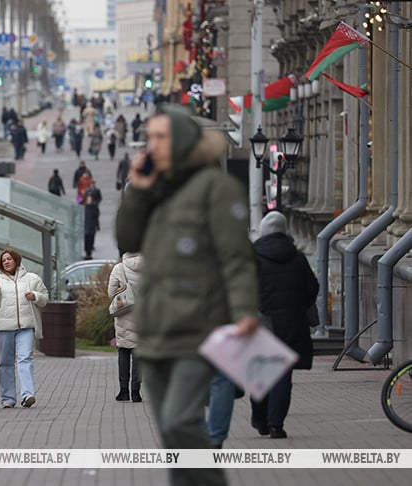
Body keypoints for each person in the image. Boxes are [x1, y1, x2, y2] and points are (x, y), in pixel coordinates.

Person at [116, 105, 259, 485]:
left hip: (199, 328)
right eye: (150, 137)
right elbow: (127, 239)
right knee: (170, 433)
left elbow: (236, 258)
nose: (153, 145)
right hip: (155, 330)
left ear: (182, 140)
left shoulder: (216, 188)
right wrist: (137, 191)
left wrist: (245, 311)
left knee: (181, 421)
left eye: (161, 137)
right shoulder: (154, 189)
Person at [251, 211, 318, 439]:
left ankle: (260, 418)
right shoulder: (297, 258)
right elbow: (312, 288)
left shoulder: (254, 258)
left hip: (261, 322)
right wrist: (298, 306)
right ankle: (276, 424)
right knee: (282, 374)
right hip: (291, 323)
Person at [0, 249, 49, 408]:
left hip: (26, 326)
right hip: (4, 328)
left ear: (16, 260)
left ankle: (28, 395)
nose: (6, 262)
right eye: (3, 261)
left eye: (9, 259)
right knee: (5, 362)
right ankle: (8, 398)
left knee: (25, 358)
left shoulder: (32, 278)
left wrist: (35, 296)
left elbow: (44, 299)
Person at [108, 253, 142, 402]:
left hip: (124, 314)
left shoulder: (119, 268)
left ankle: (123, 391)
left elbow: (110, 293)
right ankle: (136, 392)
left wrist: (120, 291)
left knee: (123, 352)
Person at [84, 194, 99, 259]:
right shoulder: (84, 207)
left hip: (91, 226)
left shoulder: (94, 207)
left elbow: (96, 217)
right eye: (88, 200)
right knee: (86, 240)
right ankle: (87, 252)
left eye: (90, 200)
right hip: (86, 226)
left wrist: (97, 226)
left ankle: (89, 254)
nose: (89, 201)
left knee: (90, 239)